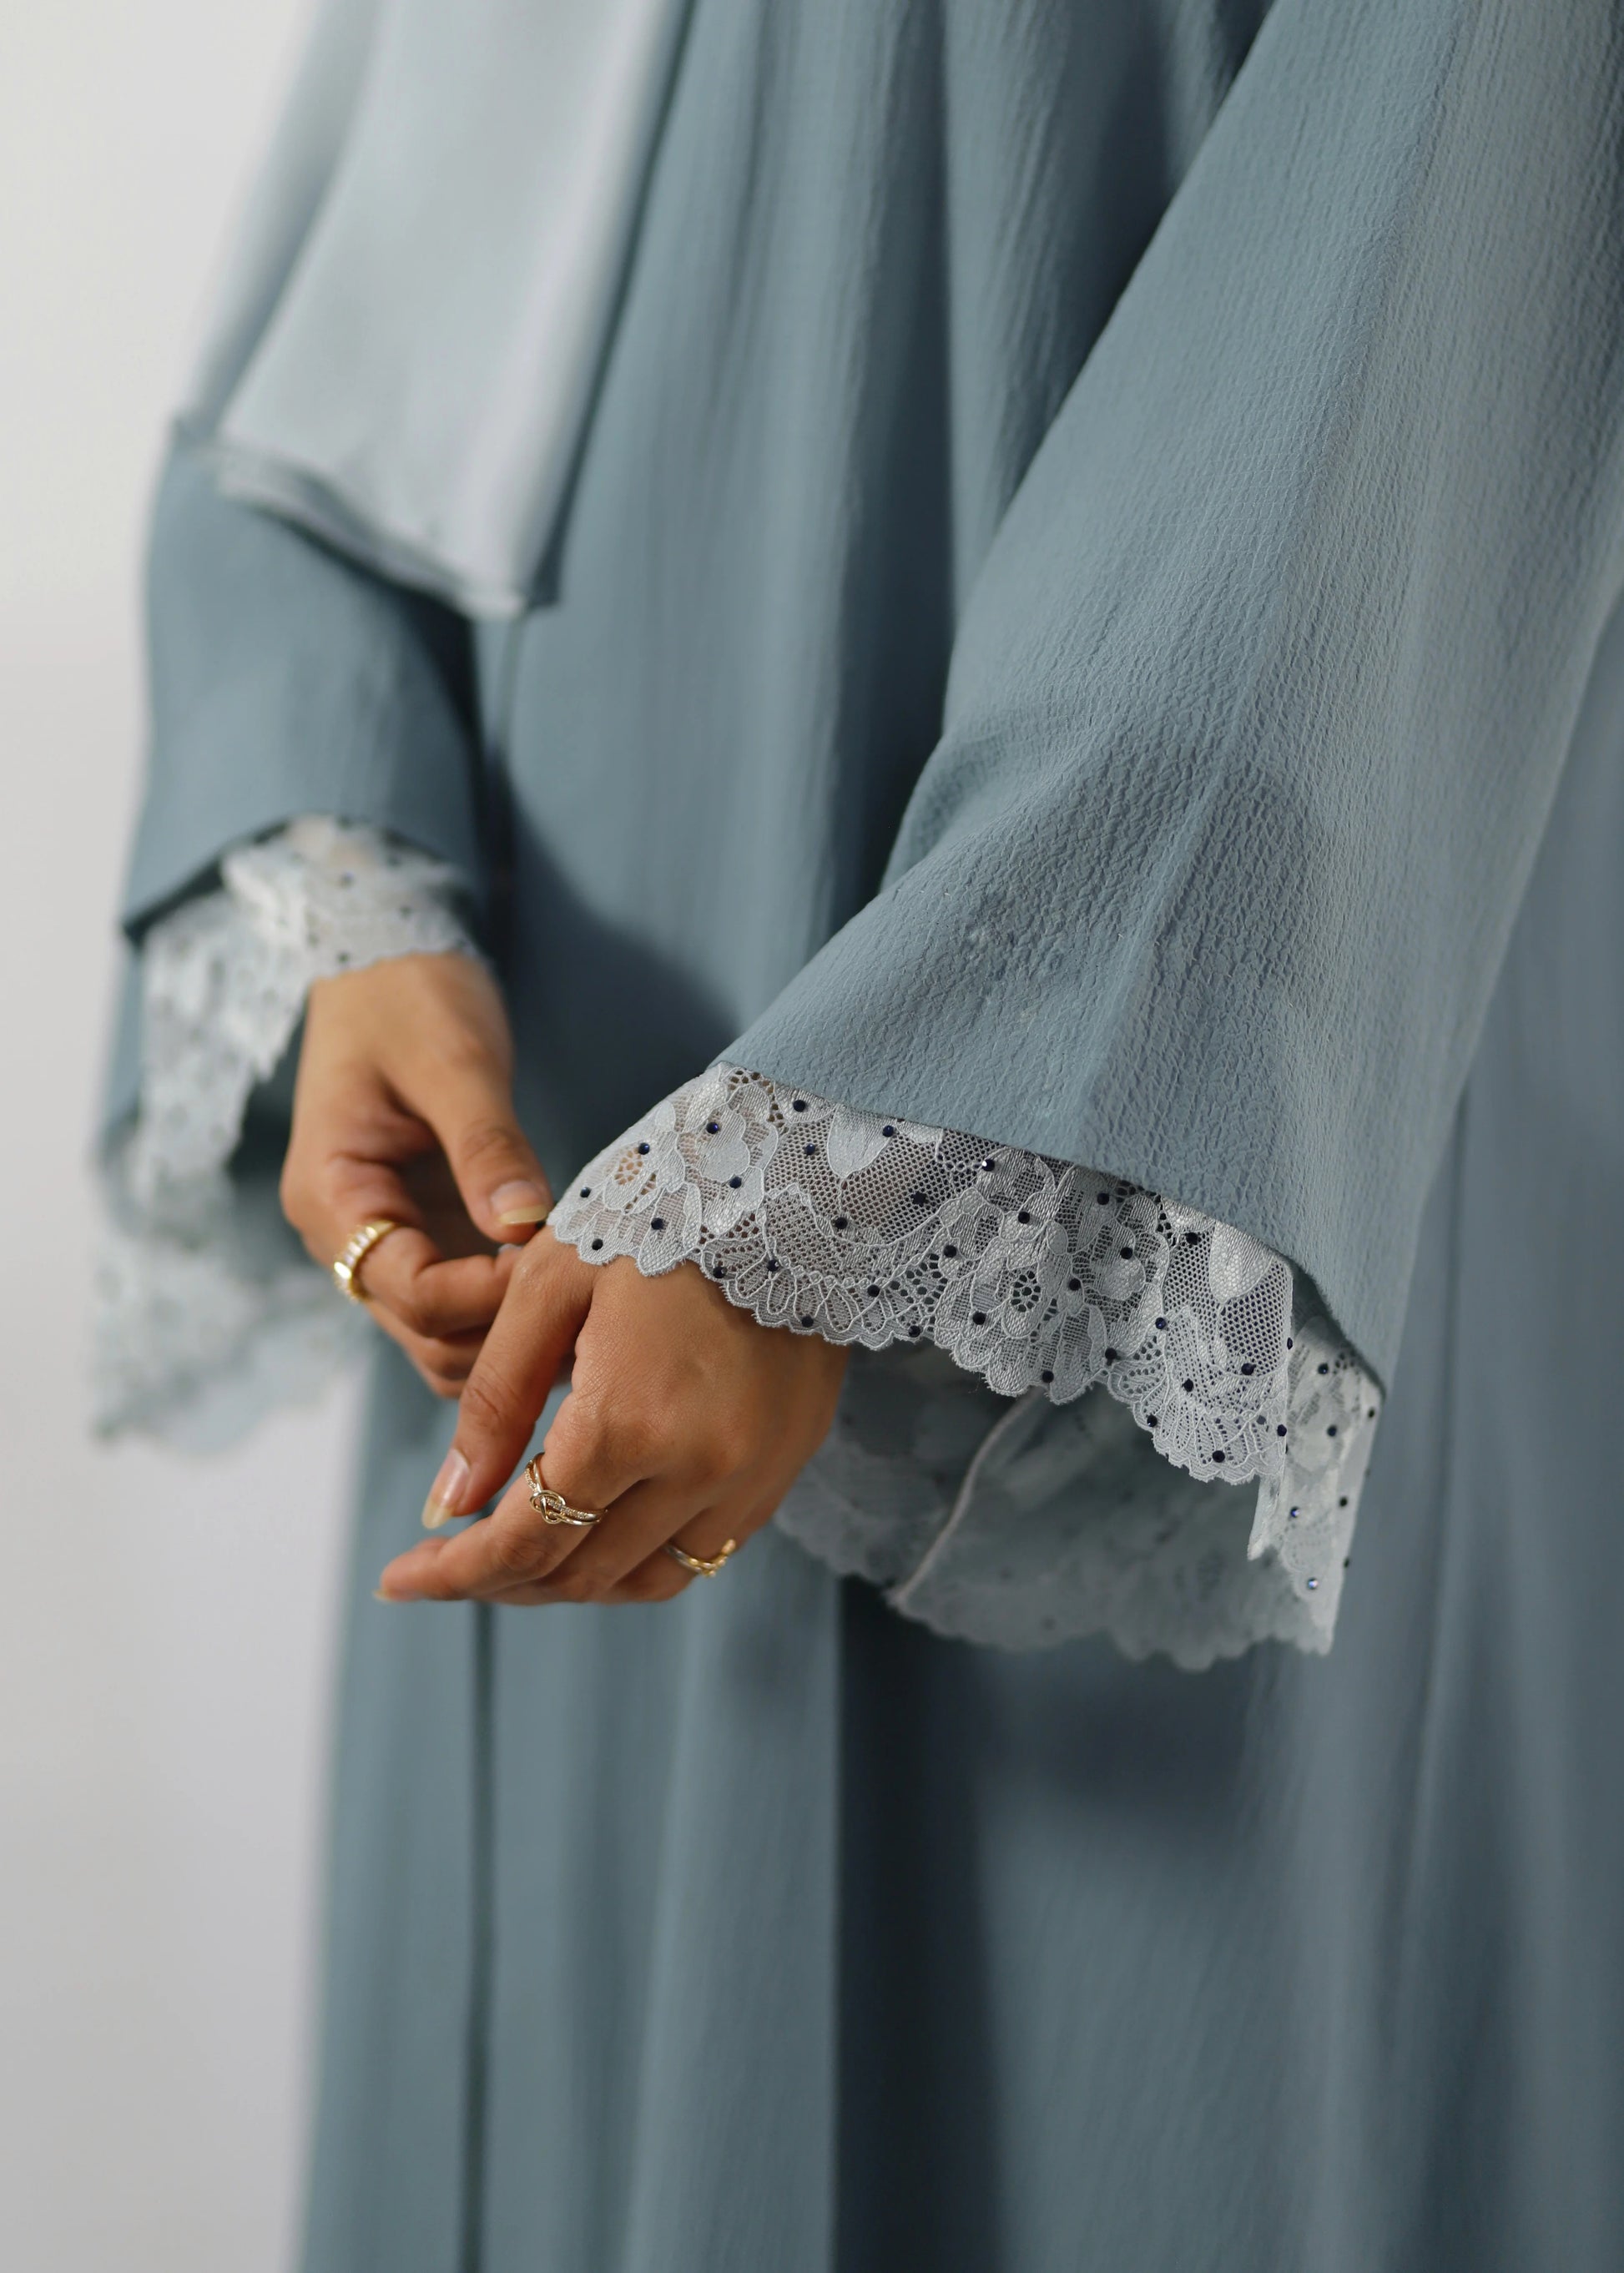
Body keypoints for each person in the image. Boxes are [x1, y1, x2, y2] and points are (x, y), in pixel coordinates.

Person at [101, 3, 1624, 2267]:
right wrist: (351, 874)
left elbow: (1441, 228)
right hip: (540, 1046)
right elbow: (387, 205)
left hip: (1185, 1050)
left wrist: (859, 1189)